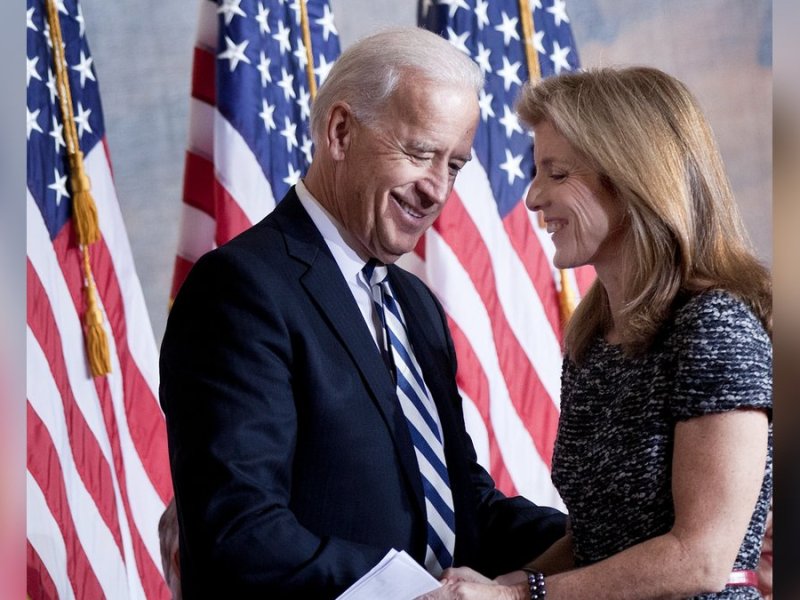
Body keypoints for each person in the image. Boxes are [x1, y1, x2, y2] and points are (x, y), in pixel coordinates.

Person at [159, 27, 566, 599]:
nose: (436, 191)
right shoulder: (240, 290)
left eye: (453, 165)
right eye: (420, 152)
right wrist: (423, 594)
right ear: (341, 132)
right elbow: (241, 534)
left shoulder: (415, 304)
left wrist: (612, 542)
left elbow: (461, 501)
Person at [421, 66, 772, 600]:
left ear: (634, 179)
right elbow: (595, 540)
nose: (534, 197)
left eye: (557, 174)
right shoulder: (591, 339)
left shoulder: (714, 327)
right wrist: (504, 582)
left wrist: (519, 598)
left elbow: (700, 558)